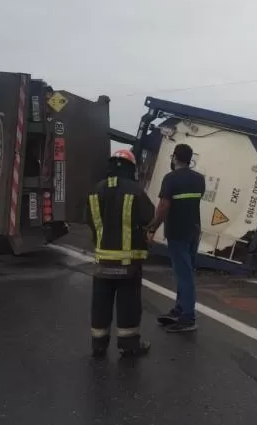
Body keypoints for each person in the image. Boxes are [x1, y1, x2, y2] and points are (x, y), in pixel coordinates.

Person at [86, 149, 155, 358]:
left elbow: (89, 220)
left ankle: (98, 344)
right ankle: (129, 345)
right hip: (128, 262)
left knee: (100, 302)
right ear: (130, 168)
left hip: (102, 260)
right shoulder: (135, 190)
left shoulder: (96, 190)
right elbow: (148, 216)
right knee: (128, 303)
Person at [146, 143, 205, 333]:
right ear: (189, 159)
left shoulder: (170, 179)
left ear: (174, 158)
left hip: (178, 232)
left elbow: (163, 206)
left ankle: (187, 317)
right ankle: (180, 309)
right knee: (184, 272)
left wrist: (152, 227)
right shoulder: (199, 179)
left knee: (184, 275)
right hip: (193, 231)